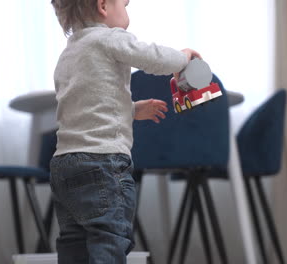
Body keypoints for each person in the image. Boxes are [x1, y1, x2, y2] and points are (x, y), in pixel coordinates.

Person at [49, 0, 201, 263]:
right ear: (103, 6)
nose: (127, 7)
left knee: (74, 243)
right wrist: (182, 57)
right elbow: (151, 57)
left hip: (64, 164)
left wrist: (130, 110)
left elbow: (85, 105)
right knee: (109, 238)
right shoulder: (108, 38)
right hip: (102, 162)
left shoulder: (68, 54)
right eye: (125, 3)